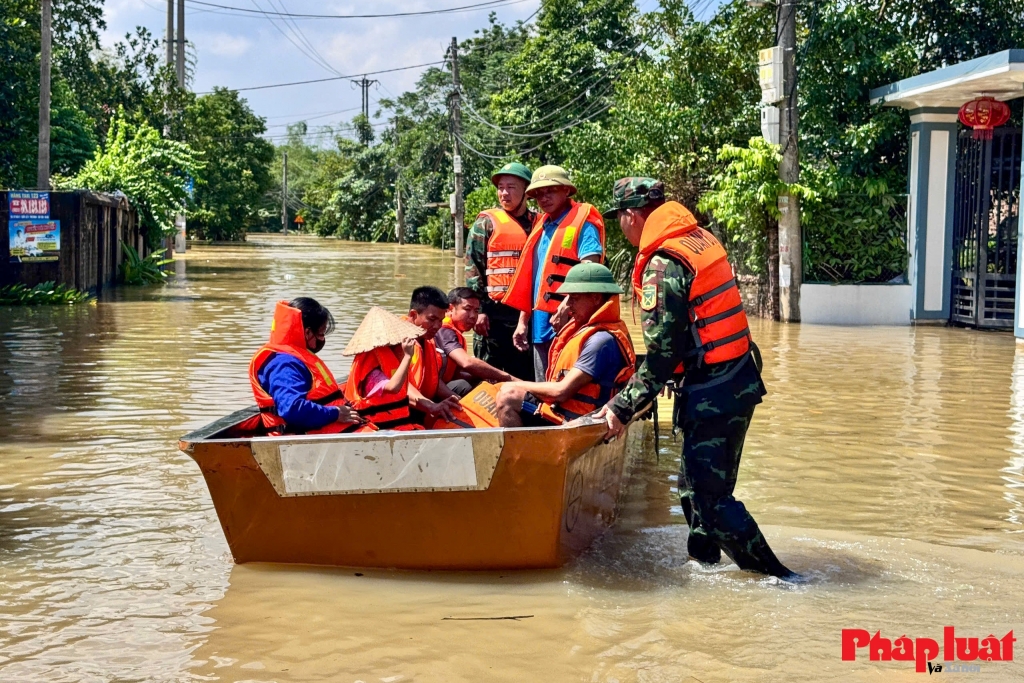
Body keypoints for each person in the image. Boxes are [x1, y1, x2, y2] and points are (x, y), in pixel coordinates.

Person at [593, 177, 795, 579]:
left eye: (620, 219)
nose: (622, 227)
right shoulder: (698, 239)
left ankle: (780, 579)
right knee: (692, 489)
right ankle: (702, 567)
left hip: (714, 393)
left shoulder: (662, 263)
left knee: (711, 500)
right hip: (734, 379)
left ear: (632, 216)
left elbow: (663, 357)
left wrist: (619, 409)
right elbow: (690, 333)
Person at [496, 263, 635, 427]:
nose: (568, 306)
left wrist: (510, 382)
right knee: (501, 391)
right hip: (566, 413)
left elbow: (561, 392)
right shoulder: (599, 330)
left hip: (579, 423)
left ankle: (518, 453)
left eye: (574, 298)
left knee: (508, 396)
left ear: (596, 298)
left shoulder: (600, 341)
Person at [502, 165, 606, 382]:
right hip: (540, 325)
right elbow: (535, 280)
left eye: (550, 190)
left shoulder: (583, 224)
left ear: (566, 190)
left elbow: (590, 272)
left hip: (570, 321)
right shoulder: (542, 226)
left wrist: (567, 304)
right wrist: (523, 321)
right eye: (538, 193)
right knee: (544, 387)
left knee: (564, 389)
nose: (543, 197)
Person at [248, 298, 369, 435]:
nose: (322, 339)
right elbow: (293, 409)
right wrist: (335, 413)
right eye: (321, 333)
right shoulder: (284, 364)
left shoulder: (294, 356)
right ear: (307, 333)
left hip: (337, 439)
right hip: (306, 445)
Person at [464, 162, 536, 381]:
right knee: (488, 378)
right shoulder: (486, 223)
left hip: (528, 318)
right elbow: (473, 268)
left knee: (526, 379)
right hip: (493, 317)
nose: (504, 193)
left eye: (511, 187)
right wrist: (479, 311)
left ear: (526, 192)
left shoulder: (540, 224)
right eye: (500, 187)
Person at [343, 306, 424, 430]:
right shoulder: (372, 373)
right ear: (389, 346)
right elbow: (393, 387)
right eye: (399, 343)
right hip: (380, 430)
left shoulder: (390, 364)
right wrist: (408, 356)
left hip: (399, 427)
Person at [436, 288, 516, 390]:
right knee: (464, 386)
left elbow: (455, 374)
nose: (473, 316)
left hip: (441, 383)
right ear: (451, 309)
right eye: (467, 309)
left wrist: (487, 376)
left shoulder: (455, 332)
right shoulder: (445, 330)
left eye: (476, 310)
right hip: (431, 389)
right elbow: (467, 362)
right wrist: (507, 377)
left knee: (481, 382)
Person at [404, 286, 461, 423]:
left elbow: (433, 380)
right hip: (400, 411)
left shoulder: (427, 340)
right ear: (413, 315)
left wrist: (458, 400)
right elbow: (400, 385)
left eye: (440, 320)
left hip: (420, 405)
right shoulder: (397, 342)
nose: (437, 326)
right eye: (432, 319)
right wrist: (431, 406)